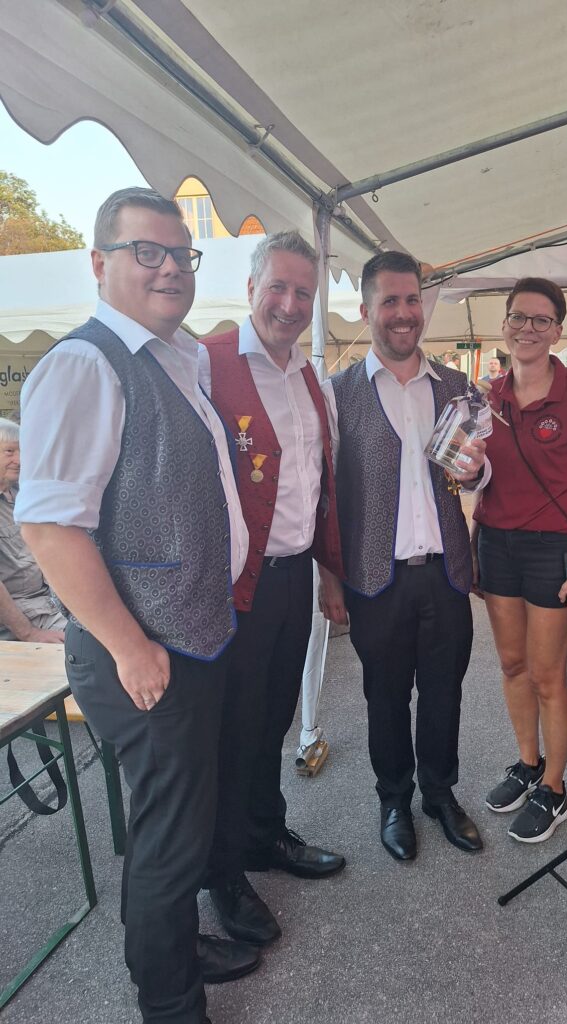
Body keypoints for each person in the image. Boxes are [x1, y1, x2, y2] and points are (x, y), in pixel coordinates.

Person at [16, 187, 256, 1024]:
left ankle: (171, 949)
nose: (168, 268)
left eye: (180, 254)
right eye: (145, 251)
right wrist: (130, 647)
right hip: (144, 650)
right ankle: (169, 1002)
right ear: (99, 263)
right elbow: (49, 527)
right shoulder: (85, 364)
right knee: (169, 839)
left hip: (189, 633)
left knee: (177, 825)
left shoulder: (175, 357)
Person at [198, 231, 346, 948]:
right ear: (251, 287)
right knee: (232, 731)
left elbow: (316, 486)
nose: (289, 304)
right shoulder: (207, 361)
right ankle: (222, 873)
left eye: (302, 293)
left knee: (273, 720)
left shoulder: (309, 376)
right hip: (234, 588)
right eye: (278, 288)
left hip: (293, 578)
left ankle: (263, 835)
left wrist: (329, 573)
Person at [318, 251, 486, 862]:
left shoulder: (458, 389)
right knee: (384, 697)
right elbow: (325, 496)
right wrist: (329, 578)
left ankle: (440, 794)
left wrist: (477, 472)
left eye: (412, 299)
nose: (403, 312)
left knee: (445, 693)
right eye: (389, 301)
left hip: (445, 573)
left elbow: (478, 472)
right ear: (366, 311)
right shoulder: (337, 394)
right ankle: (394, 800)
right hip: (375, 579)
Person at [475, 277, 567, 843]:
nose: (527, 328)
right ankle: (528, 763)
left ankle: (554, 788)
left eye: (540, 320)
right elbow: (474, 472)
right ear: (504, 324)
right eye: (518, 317)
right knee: (512, 665)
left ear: (557, 331)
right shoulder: (487, 395)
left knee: (548, 674)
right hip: (495, 542)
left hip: (552, 547)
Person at [0, 418, 66, 643]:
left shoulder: (24, 494)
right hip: (19, 611)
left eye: (22, 451)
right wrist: (30, 634)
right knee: (92, 643)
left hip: (49, 600)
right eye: (9, 451)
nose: (19, 460)